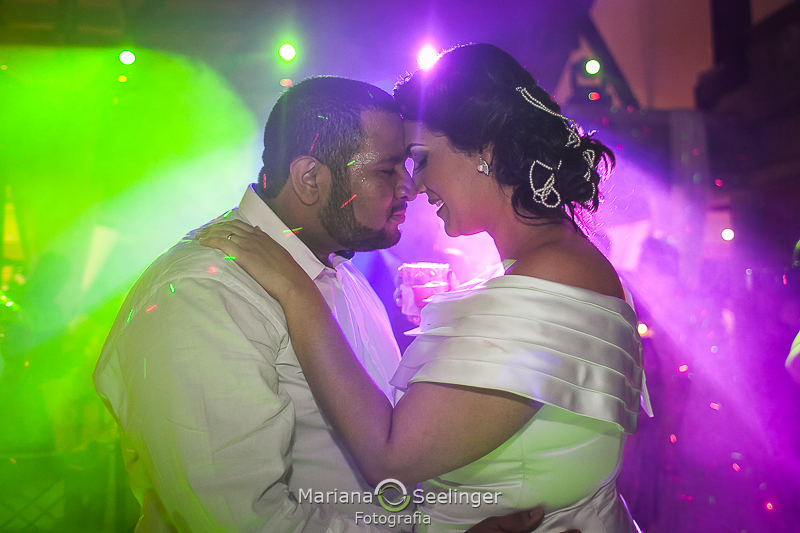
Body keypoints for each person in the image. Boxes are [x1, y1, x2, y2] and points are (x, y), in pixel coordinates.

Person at [198, 44, 650, 533]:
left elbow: (390, 458)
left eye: (421, 159)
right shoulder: (546, 267)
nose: (412, 187)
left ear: (485, 151)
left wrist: (295, 289)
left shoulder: (555, 274)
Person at [94, 75, 561, 533]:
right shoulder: (202, 295)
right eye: (387, 171)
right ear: (309, 179)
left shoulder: (339, 274)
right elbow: (245, 521)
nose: (410, 187)